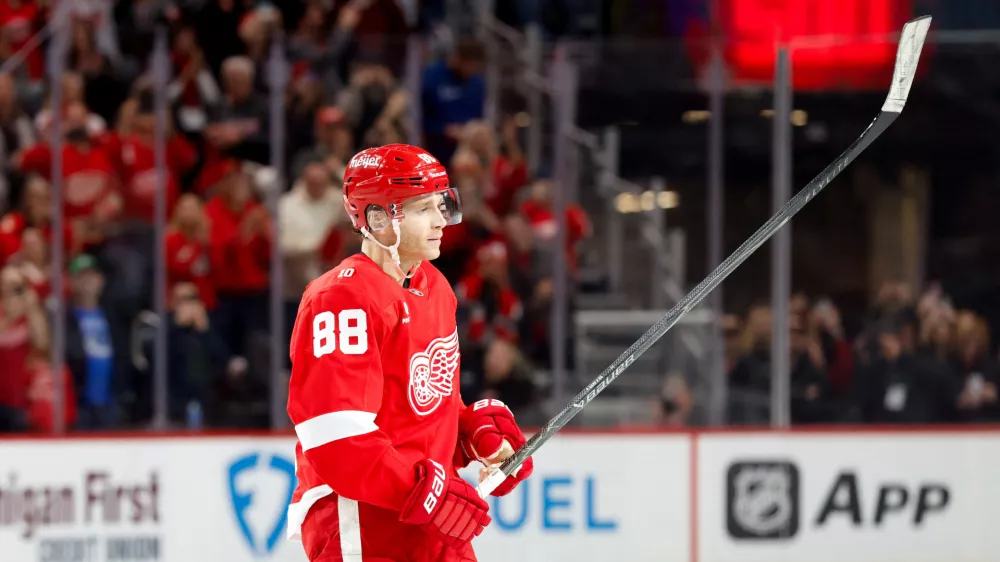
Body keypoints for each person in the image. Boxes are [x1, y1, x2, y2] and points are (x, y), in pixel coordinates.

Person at [285, 144, 534, 561]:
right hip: (364, 522)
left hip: (427, 521)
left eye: (442, 204)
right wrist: (425, 491)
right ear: (377, 218)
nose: (441, 221)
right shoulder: (342, 298)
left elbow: (422, 406)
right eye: (423, 209)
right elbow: (336, 438)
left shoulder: (433, 285)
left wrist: (472, 435)